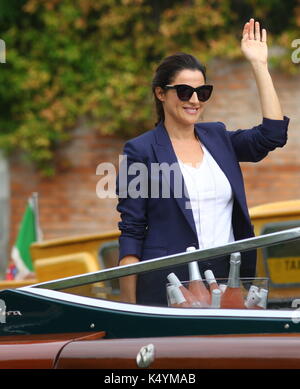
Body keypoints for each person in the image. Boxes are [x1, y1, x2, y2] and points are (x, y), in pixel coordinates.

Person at [116, 18, 289, 306]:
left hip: (227, 279)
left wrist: (259, 65)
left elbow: (272, 134)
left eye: (203, 92)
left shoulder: (218, 137)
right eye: (185, 92)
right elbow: (132, 232)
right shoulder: (141, 150)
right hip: (169, 287)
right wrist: (127, 309)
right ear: (161, 93)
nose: (195, 100)